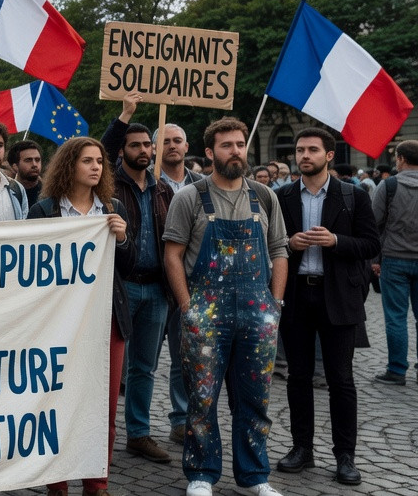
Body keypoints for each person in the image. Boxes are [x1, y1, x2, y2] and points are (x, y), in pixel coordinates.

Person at [163, 117, 289, 496]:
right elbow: (173, 255)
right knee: (202, 398)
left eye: (239, 144)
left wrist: (275, 304)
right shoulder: (190, 197)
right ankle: (201, 474)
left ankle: (255, 476)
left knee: (255, 398)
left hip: (258, 313)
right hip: (205, 313)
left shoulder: (264, 196)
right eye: (226, 145)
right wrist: (188, 306)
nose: (236, 151)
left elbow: (279, 250)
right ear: (210, 152)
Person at [27, 136, 133, 496]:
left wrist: (122, 239)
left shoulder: (113, 208)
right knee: (58, 401)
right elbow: (29, 268)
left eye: (99, 162)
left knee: (104, 405)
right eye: (87, 161)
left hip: (108, 321)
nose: (96, 167)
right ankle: (57, 483)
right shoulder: (44, 211)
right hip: (60, 323)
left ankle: (96, 483)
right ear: (69, 165)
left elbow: (130, 265)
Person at [273, 127, 378, 486]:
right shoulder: (283, 195)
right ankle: (301, 448)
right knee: (298, 376)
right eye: (300, 150)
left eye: (312, 150)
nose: (304, 155)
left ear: (329, 155)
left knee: (341, 379)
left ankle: (345, 456)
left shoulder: (353, 195)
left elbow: (370, 245)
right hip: (297, 295)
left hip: (338, 296)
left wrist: (336, 241)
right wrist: (290, 243)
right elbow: (271, 243)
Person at [101, 99, 177, 464]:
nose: (144, 150)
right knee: (107, 364)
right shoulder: (109, 185)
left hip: (156, 288)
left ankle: (139, 433)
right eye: (135, 145)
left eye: (148, 145)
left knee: (144, 366)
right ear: (123, 151)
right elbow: (102, 150)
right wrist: (125, 114)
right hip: (120, 285)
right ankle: (99, 436)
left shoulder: (164, 190)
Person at [373, 139, 418, 385]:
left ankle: (397, 370)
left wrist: (374, 258)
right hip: (399, 257)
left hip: (394, 258)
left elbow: (374, 223)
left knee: (396, 317)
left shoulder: (389, 185)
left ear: (400, 158)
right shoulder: (388, 184)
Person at [7, 140, 44, 206]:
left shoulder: (50, 194)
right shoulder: (6, 194)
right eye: (28, 160)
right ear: (15, 166)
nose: (34, 164)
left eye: (37, 160)